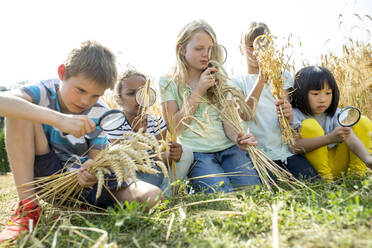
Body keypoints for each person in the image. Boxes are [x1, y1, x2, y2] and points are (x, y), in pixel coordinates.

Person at [0, 41, 161, 242]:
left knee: (153, 195)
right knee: (19, 111)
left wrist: (91, 170)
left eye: (95, 95)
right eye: (81, 90)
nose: (86, 101)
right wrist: (59, 119)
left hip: (85, 185)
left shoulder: (101, 112)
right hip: (49, 177)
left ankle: (83, 206)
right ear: (62, 73)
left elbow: (95, 157)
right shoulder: (43, 92)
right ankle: (28, 208)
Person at [159, 19, 261, 194]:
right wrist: (198, 90)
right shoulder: (168, 82)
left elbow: (228, 123)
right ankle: (193, 184)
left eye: (210, 49)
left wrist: (238, 138)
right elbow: (175, 129)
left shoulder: (218, 77)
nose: (206, 54)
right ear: (181, 49)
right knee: (223, 194)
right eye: (199, 49)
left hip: (228, 149)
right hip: (198, 154)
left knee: (253, 190)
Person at [230, 22, 319, 180]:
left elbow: (286, 114)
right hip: (259, 153)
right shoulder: (236, 81)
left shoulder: (282, 76)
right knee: (272, 185)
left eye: (263, 47)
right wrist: (261, 79)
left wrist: (288, 113)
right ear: (240, 49)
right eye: (251, 47)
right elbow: (245, 114)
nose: (257, 53)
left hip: (284, 151)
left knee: (312, 179)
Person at [107, 69, 193, 195]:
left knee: (186, 151)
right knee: (117, 152)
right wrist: (138, 135)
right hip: (133, 182)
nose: (139, 98)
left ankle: (166, 195)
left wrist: (171, 155)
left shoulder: (156, 123)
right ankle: (143, 197)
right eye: (131, 93)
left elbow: (160, 157)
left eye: (143, 93)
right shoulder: (114, 124)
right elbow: (124, 158)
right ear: (118, 99)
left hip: (155, 176)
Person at [289, 65, 372, 181]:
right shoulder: (293, 114)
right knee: (309, 125)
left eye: (328, 93)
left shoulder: (336, 114)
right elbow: (294, 147)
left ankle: (357, 176)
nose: (323, 99)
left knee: (362, 121)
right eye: (315, 94)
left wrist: (367, 158)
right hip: (314, 169)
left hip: (338, 165)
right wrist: (330, 138)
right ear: (301, 93)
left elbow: (351, 137)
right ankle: (326, 182)